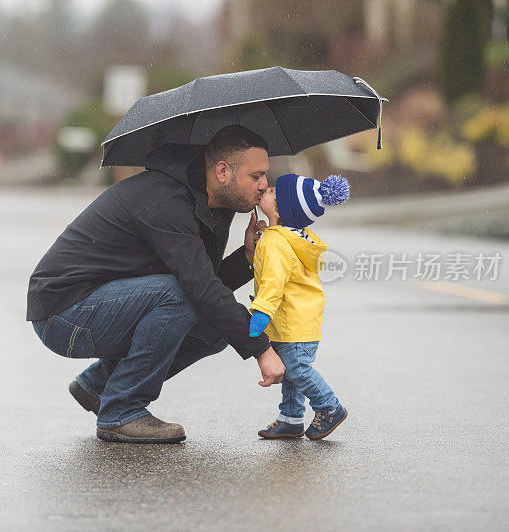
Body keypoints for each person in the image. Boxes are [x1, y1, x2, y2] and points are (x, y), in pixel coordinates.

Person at [27, 125, 286, 443]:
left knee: (215, 328)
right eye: (256, 176)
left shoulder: (212, 206)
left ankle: (98, 386)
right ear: (222, 171)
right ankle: (122, 409)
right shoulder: (166, 198)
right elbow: (197, 288)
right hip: (63, 312)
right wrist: (261, 349)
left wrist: (248, 257)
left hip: (101, 303)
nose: (264, 186)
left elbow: (205, 281)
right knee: (180, 294)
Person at [248, 173, 350, 440]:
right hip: (301, 321)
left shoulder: (275, 242)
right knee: (292, 375)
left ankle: (329, 408)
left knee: (296, 371)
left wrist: (261, 313)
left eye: (271, 191)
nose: (265, 190)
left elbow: (273, 282)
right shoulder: (292, 238)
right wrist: (261, 241)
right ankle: (290, 419)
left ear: (280, 210)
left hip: (290, 321)